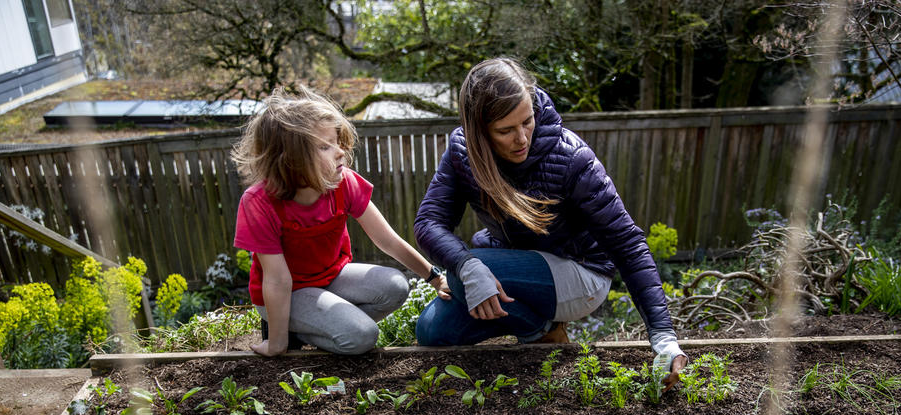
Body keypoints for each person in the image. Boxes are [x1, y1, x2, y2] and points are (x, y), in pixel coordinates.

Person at [413, 57, 687, 383]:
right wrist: (470, 268)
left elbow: (627, 242)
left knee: (460, 276)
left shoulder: (570, 156)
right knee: (432, 331)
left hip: (581, 273)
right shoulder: (462, 151)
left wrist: (663, 336)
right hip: (520, 269)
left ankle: (530, 321)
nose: (522, 138)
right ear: (479, 131)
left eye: (527, 121)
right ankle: (541, 329)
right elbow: (429, 221)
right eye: (505, 130)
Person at [232, 86, 449, 356]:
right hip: (283, 295)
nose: (340, 153)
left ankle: (325, 323)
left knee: (396, 286)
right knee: (363, 336)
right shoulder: (259, 202)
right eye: (325, 146)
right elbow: (277, 280)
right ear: (291, 159)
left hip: (331, 278)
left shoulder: (344, 183)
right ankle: (295, 329)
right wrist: (277, 344)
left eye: (337, 142)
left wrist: (434, 278)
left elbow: (387, 240)